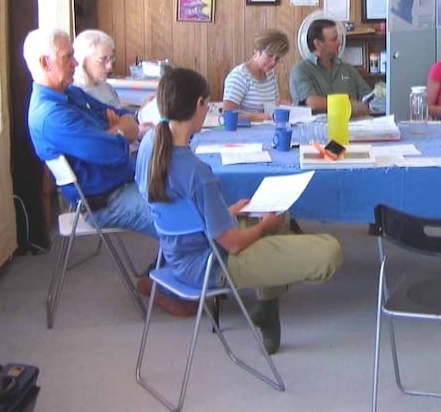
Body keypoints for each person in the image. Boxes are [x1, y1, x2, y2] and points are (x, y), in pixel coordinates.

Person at [137, 67, 343, 354]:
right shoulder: (198, 172)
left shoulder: (149, 145)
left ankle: (267, 309)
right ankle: (267, 299)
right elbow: (233, 245)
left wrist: (227, 210)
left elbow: (179, 208)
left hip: (178, 252)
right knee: (329, 251)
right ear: (200, 105)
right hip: (210, 264)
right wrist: (263, 228)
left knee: (277, 215)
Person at [24, 27, 153, 236]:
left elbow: (118, 114)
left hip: (126, 180)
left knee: (192, 194)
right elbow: (110, 151)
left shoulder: (70, 93)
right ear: (45, 63)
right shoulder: (51, 116)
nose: (75, 63)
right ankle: (169, 268)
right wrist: (121, 132)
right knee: (186, 218)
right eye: (68, 57)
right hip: (107, 200)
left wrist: (116, 129)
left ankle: (167, 267)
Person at [289, 18, 371, 117]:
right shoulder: (301, 71)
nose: (339, 42)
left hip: (354, 128)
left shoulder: (348, 69)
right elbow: (313, 103)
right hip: (318, 129)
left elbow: (369, 97)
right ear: (317, 43)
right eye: (334, 39)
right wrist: (349, 104)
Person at [222, 28, 290, 122]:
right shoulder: (239, 76)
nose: (273, 62)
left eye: (277, 58)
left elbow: (271, 105)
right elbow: (228, 115)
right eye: (269, 56)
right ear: (257, 51)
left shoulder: (271, 75)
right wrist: (258, 117)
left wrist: (282, 105)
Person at [72, 28, 122, 106]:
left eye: (111, 58)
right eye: (103, 59)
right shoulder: (76, 93)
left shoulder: (108, 88)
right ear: (84, 61)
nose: (110, 66)